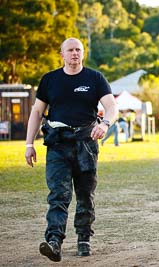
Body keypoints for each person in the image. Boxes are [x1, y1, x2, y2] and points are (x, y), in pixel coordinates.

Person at [24, 37, 118, 262]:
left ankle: (84, 238)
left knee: (85, 195)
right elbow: (37, 113)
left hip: (86, 144)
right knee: (58, 195)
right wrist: (29, 144)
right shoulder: (50, 80)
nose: (75, 53)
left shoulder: (95, 78)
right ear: (62, 54)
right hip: (57, 145)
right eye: (70, 50)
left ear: (82, 53)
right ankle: (54, 241)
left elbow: (111, 106)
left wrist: (104, 124)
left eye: (78, 50)